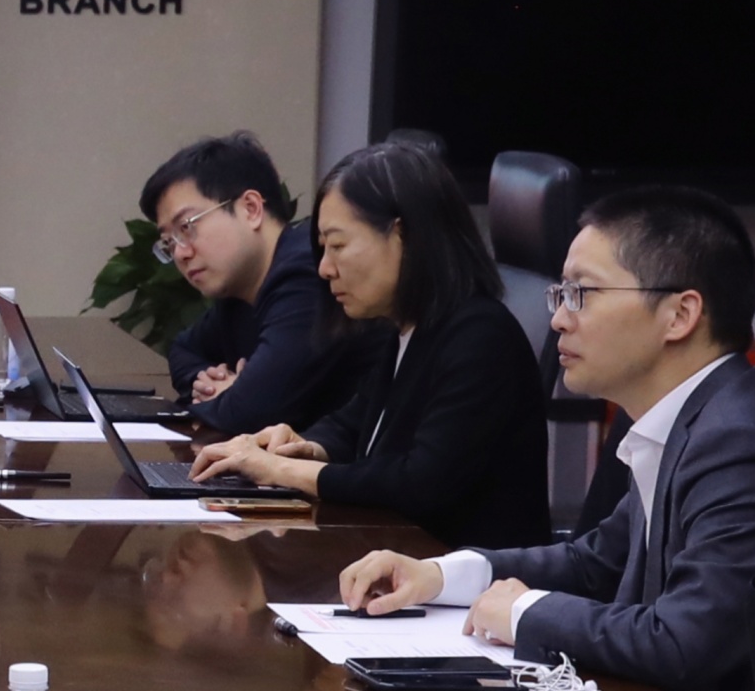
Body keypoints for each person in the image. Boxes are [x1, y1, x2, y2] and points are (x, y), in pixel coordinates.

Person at [334, 186, 755, 691]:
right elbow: (596, 564)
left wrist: (524, 612)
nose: (559, 319)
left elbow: (686, 643)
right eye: (560, 295)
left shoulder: (741, 439)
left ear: (680, 315)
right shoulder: (689, 417)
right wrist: (438, 575)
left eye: (581, 293)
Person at [189, 138, 550, 550]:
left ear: (402, 235)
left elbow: (419, 483)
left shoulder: (480, 336)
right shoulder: (407, 328)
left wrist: (280, 471)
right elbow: (355, 424)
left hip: (464, 576)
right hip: (397, 558)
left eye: (338, 246)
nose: (325, 268)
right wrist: (303, 446)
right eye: (323, 249)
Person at [141, 131, 362, 437]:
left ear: (251, 209)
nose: (180, 253)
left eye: (187, 227)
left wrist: (236, 396)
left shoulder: (308, 273)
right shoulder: (240, 289)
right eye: (169, 242)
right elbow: (184, 349)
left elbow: (251, 411)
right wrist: (210, 384)